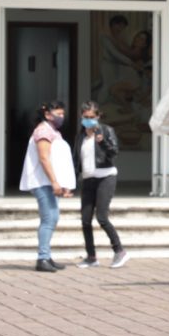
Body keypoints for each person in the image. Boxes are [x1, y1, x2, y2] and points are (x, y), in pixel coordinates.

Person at [19, 101, 76, 272]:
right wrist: (54, 182)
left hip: (48, 182)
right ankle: (42, 258)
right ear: (47, 114)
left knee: (52, 217)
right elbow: (44, 158)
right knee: (49, 219)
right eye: (58, 113)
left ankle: (46, 255)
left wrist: (61, 183)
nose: (62, 117)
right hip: (43, 182)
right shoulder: (43, 131)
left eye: (63, 114)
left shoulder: (53, 131)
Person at [72, 101, 129, 269]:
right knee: (85, 220)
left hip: (106, 177)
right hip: (88, 179)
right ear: (81, 116)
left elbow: (114, 153)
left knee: (102, 217)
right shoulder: (80, 136)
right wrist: (71, 183)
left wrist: (102, 142)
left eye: (92, 117)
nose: (88, 120)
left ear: (98, 116)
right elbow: (76, 160)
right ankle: (91, 257)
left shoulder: (106, 130)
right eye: (85, 117)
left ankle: (119, 251)